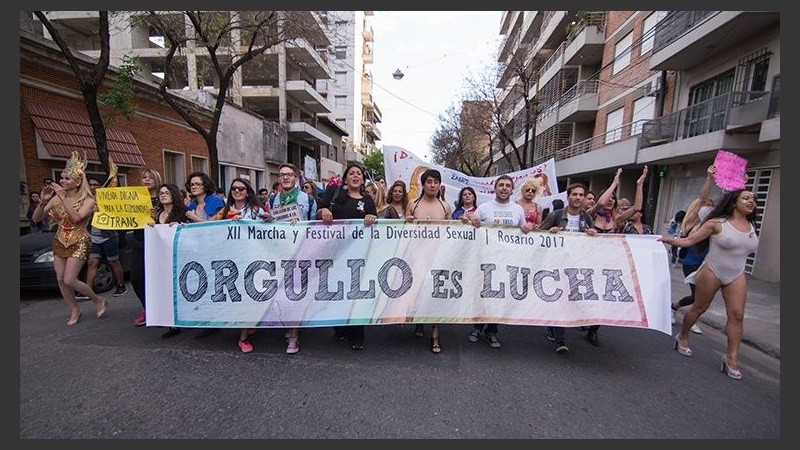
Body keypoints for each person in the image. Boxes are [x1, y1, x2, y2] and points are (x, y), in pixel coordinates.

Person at [660, 189, 760, 380]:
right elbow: (690, 240)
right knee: (699, 307)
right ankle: (683, 336)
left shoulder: (751, 225)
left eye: (753, 199)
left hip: (737, 274)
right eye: (746, 198)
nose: (751, 201)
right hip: (711, 271)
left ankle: (731, 357)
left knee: (737, 315)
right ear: (734, 202)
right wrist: (668, 240)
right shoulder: (716, 223)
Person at [29, 151, 108, 326]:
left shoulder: (87, 200)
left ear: (78, 182)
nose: (62, 181)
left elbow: (77, 218)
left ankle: (98, 300)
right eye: (61, 178)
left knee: (69, 279)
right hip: (59, 240)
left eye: (67, 178)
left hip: (79, 240)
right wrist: (43, 202)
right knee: (60, 279)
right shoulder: (55, 199)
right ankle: (74, 310)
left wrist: (63, 198)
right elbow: (36, 219)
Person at [465, 174, 534, 349]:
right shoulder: (484, 208)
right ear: (495, 188)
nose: (504, 188)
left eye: (507, 185)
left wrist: (527, 228)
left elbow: (523, 230)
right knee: (483, 295)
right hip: (486, 259)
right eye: (501, 185)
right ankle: (477, 327)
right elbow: (470, 227)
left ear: (512, 189)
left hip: (508, 260)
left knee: (499, 297)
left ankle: (492, 331)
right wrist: (471, 220)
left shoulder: (517, 210)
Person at [317, 163, 377, 351]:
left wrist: (372, 218)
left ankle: (357, 334)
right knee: (337, 291)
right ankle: (340, 328)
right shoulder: (334, 194)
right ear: (345, 178)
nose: (355, 176)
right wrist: (323, 211)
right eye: (351, 173)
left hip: (359, 256)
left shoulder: (368, 200)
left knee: (356, 294)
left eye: (359, 173)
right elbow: (319, 211)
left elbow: (376, 222)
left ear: (363, 180)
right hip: (335, 254)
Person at [538, 182, 597, 354]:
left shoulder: (586, 219)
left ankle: (553, 326)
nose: (577, 198)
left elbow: (591, 244)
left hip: (576, 267)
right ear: (568, 196)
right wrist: (550, 232)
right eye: (574, 194)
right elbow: (538, 235)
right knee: (560, 300)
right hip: (556, 265)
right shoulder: (556, 215)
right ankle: (560, 339)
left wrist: (592, 234)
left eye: (581, 195)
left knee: (568, 301)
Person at [217, 177, 270, 353]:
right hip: (231, 259)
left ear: (247, 192)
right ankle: (246, 326)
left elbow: (269, 228)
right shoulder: (225, 211)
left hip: (251, 259)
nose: (237, 191)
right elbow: (209, 226)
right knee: (237, 297)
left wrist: (268, 220)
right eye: (234, 189)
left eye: (241, 189)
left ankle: (243, 337)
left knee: (249, 297)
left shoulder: (255, 210)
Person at [404, 169, 453, 353]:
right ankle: (419, 321)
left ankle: (435, 334)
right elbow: (404, 232)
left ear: (440, 185)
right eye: (429, 182)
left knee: (435, 294)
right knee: (418, 291)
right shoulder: (413, 204)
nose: (433, 185)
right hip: (418, 256)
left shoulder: (445, 206)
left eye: (436, 182)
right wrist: (407, 222)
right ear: (423, 184)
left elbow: (452, 233)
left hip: (438, 257)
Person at [271, 164, 318, 354]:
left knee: (295, 294)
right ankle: (290, 326)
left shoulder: (308, 199)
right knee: (282, 293)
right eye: (282, 175)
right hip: (280, 252)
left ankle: (294, 336)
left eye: (289, 174)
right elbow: (271, 223)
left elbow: (315, 227)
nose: (285, 178)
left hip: (300, 253)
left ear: (296, 177)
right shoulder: (273, 199)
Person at [671, 165, 717, 332]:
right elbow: (702, 198)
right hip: (691, 263)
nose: (709, 208)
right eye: (706, 205)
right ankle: (684, 315)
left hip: (706, 264)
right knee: (697, 296)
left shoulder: (712, 224)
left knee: (702, 297)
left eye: (712, 206)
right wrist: (709, 179)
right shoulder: (693, 223)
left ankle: (676, 308)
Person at [184, 171, 225, 338]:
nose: (194, 187)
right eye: (192, 184)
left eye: (197, 184)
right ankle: (204, 318)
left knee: (214, 284)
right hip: (197, 249)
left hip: (214, 247)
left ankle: (214, 320)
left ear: (205, 185)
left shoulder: (216, 201)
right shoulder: (191, 204)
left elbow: (214, 225)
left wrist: (194, 218)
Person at [148, 183, 189, 339]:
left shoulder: (182, 212)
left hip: (180, 256)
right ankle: (171, 323)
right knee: (164, 287)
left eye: (167, 192)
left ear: (174, 195)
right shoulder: (157, 214)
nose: (163, 195)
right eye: (161, 193)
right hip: (162, 257)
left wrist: (182, 227)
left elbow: (192, 231)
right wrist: (151, 227)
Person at [131, 168, 163, 327]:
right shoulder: (135, 200)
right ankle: (147, 308)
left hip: (158, 243)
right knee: (136, 278)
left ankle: (161, 309)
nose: (147, 180)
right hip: (139, 241)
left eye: (151, 177)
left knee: (159, 278)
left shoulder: (163, 199)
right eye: (144, 177)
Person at [85, 178, 127, 297]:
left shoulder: (109, 200)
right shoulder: (87, 200)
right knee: (92, 262)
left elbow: (117, 214)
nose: (92, 187)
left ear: (101, 185)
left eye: (95, 184)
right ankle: (88, 290)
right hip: (94, 235)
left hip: (109, 235)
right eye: (90, 184)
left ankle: (121, 285)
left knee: (113, 261)